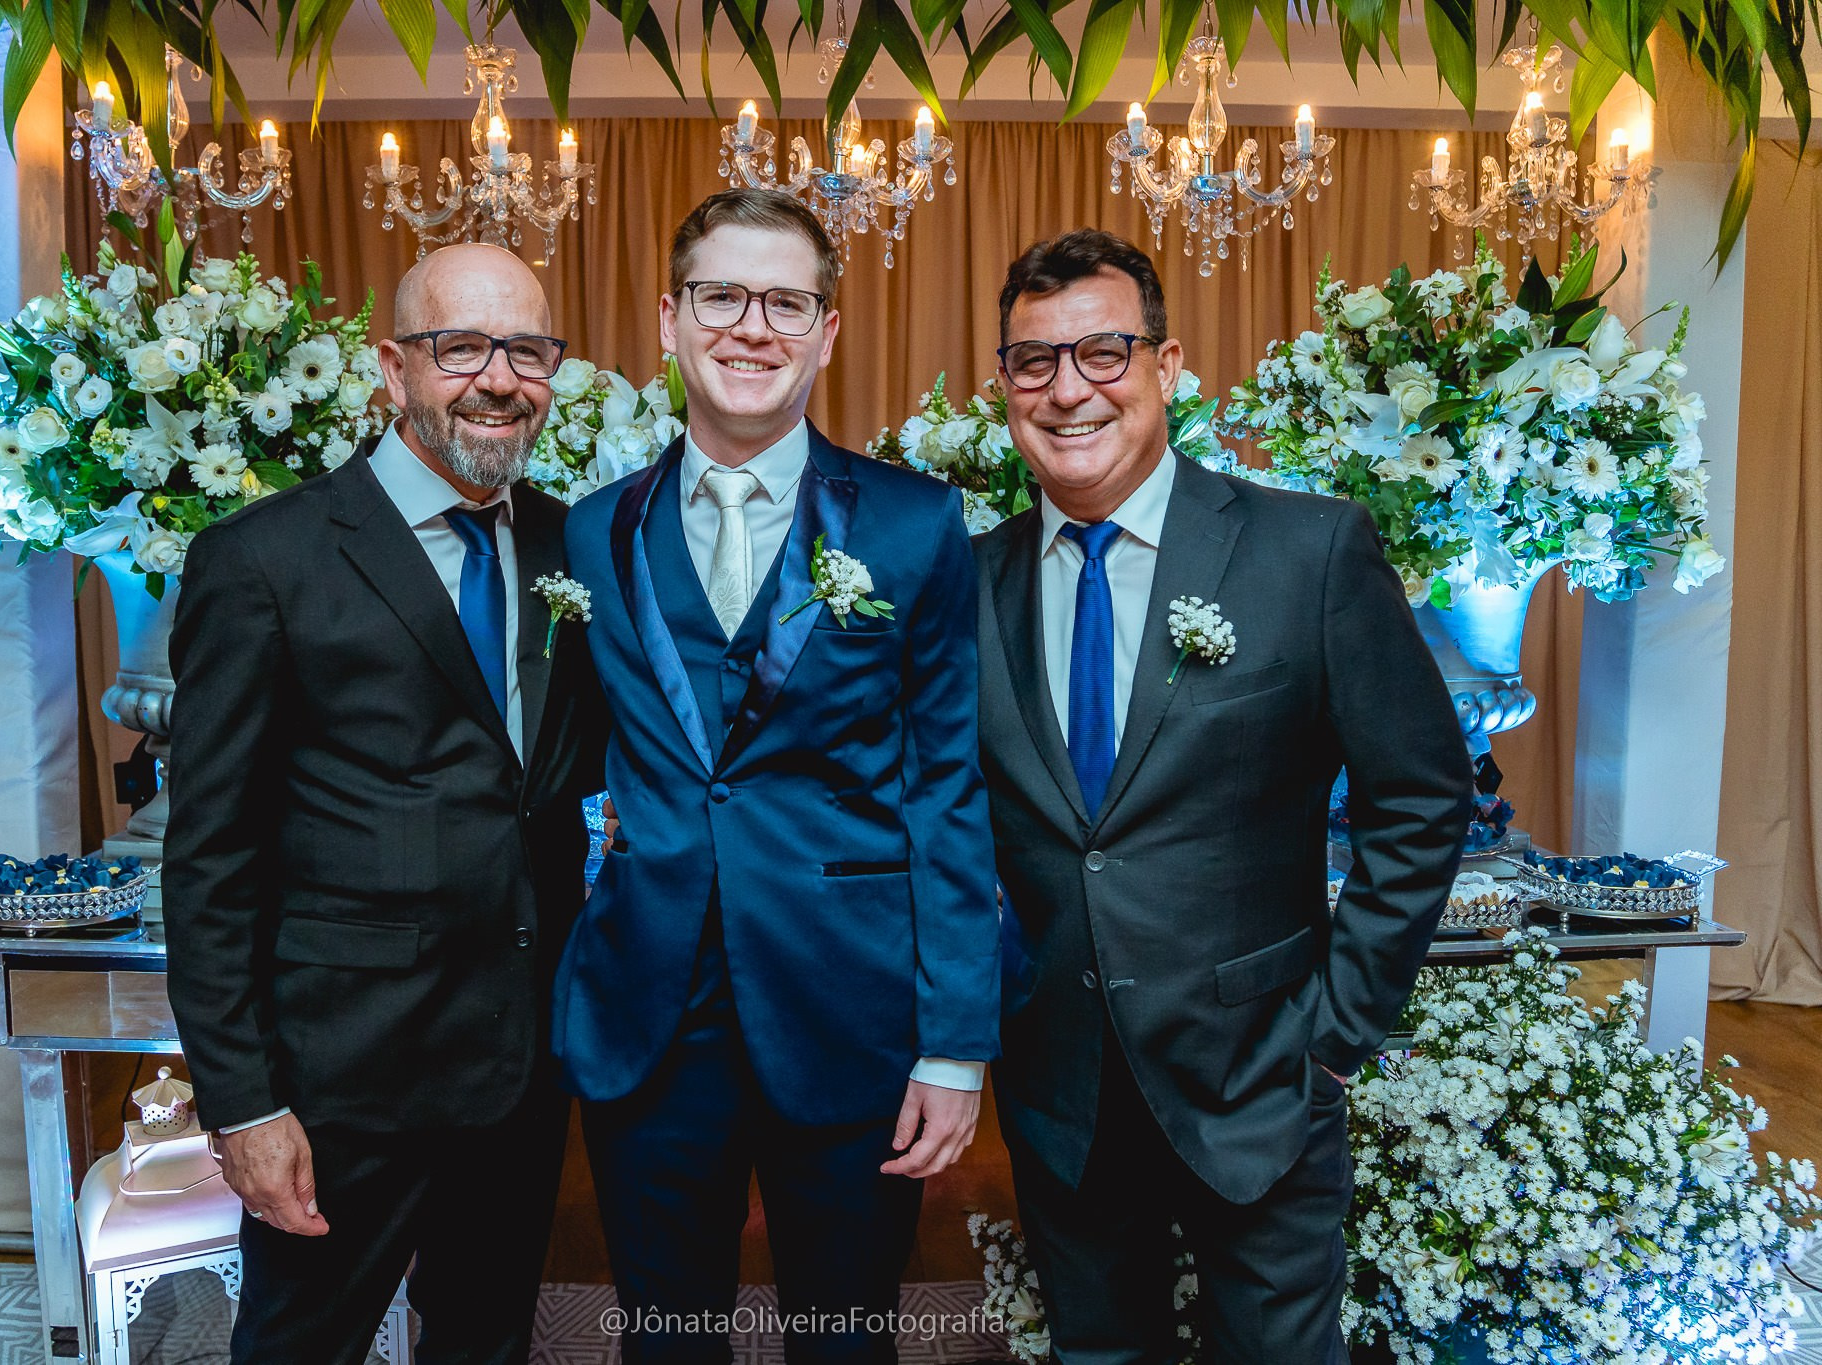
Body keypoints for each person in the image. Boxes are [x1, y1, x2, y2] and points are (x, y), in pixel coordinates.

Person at [972, 228, 1470, 1363]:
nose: (1067, 392)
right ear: (1004, 384)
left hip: (1262, 1075)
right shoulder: (969, 581)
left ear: (1168, 365)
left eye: (1103, 353)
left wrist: (1335, 1034)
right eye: (1032, 364)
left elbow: (1419, 793)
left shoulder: (1308, 551)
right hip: (1060, 1089)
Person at [554, 188, 1001, 1365]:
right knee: (666, 1333)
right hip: (647, 1008)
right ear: (668, 316)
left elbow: (948, 785)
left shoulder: (912, 527)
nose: (751, 328)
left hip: (848, 1004)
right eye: (721, 296)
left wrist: (954, 1042)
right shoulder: (590, 532)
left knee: (844, 1333)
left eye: (785, 302)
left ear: (825, 330)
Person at [163, 243, 604, 1365]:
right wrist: (244, 1105)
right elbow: (209, 858)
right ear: (389, 368)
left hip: (514, 1063)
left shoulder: (572, 546)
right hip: (338, 1080)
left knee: (487, 1342)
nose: (498, 378)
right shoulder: (262, 558)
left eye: (527, 350)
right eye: (460, 347)